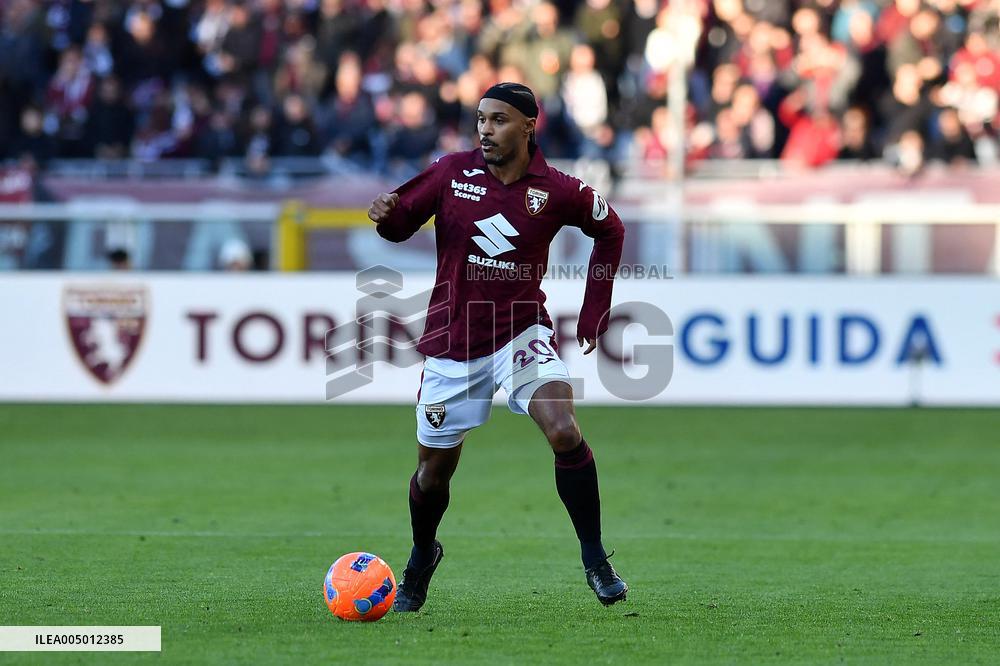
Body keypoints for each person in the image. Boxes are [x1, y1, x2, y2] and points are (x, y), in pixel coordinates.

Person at [367, 82, 627, 611]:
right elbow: (399, 225)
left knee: (563, 429)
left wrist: (596, 305)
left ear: (530, 126)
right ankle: (421, 556)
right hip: (452, 342)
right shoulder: (451, 172)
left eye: (499, 120)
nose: (485, 129)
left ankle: (596, 558)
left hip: (520, 332)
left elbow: (611, 230)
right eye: (481, 119)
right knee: (432, 474)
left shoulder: (558, 190)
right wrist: (387, 215)